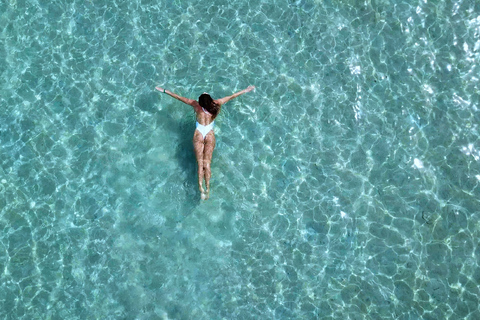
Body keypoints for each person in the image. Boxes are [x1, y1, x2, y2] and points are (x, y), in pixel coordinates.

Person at [155, 85, 255, 200]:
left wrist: (164, 90)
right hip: (209, 134)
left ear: (201, 102)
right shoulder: (216, 104)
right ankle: (208, 189)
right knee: (207, 163)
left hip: (199, 133)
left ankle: (201, 189)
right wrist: (246, 90)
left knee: (200, 163)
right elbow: (232, 96)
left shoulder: (195, 105)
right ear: (210, 100)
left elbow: (178, 97)